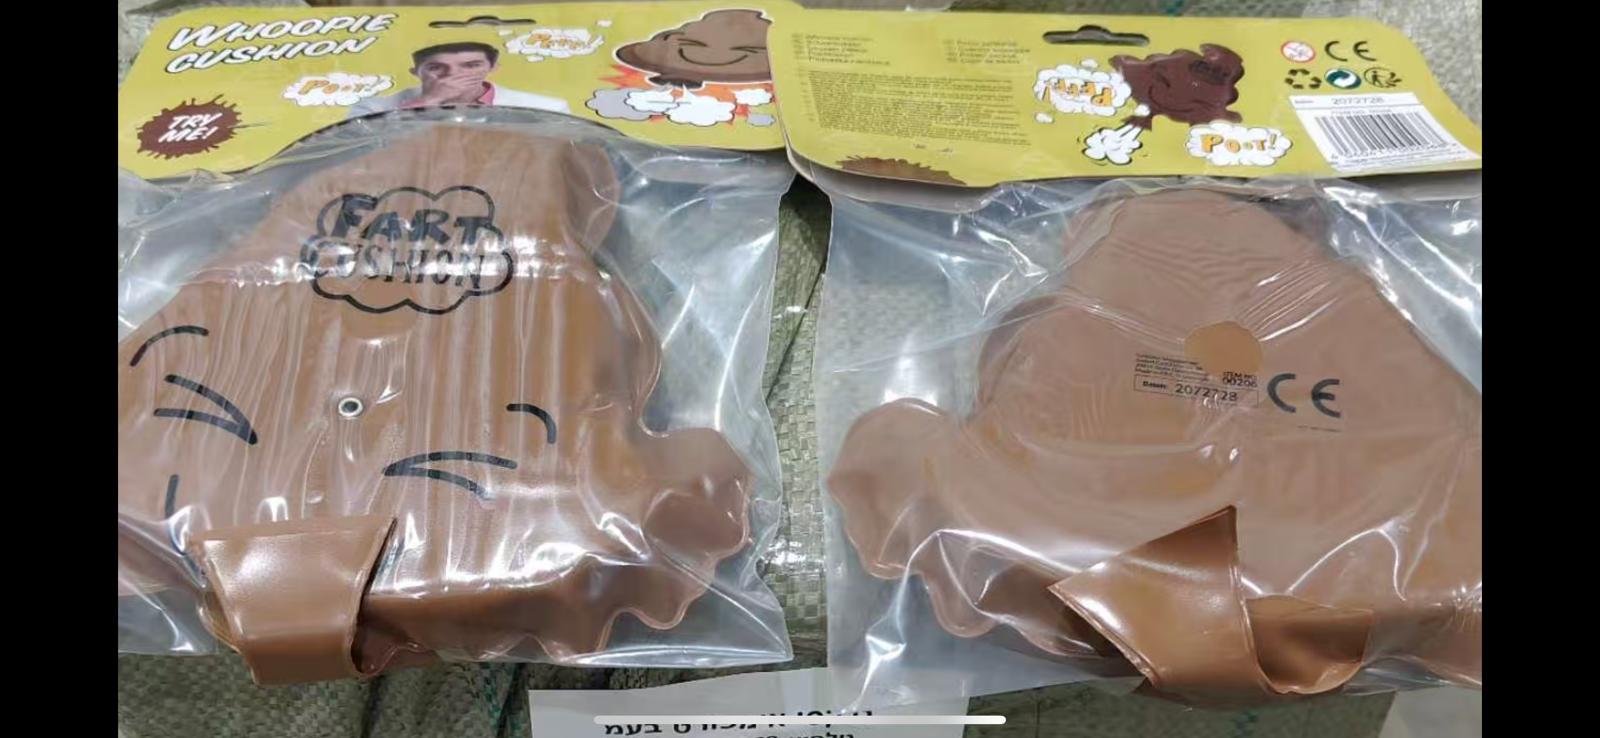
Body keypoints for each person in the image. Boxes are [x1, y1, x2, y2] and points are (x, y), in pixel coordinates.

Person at [347, 42, 569, 118]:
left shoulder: (547, 109)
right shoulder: (373, 108)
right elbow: (359, 152)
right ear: (415, 72)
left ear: (493, 68)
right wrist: (426, 102)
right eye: (436, 67)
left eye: (471, 65)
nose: (452, 75)